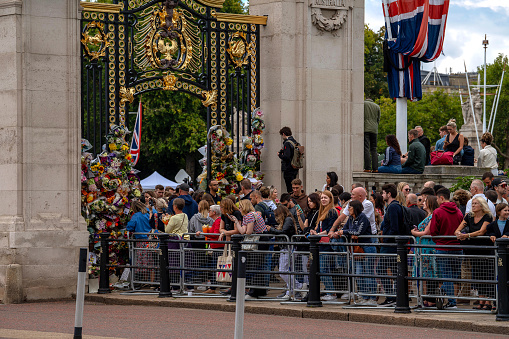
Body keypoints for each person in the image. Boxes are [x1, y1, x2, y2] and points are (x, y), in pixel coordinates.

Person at [454, 197, 493, 310]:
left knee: (487, 275)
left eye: (476, 203)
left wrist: (467, 235)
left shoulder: (488, 216)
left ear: (482, 205)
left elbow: (482, 231)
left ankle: (489, 301)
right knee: (477, 275)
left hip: (485, 250)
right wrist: (458, 233)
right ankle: (481, 301)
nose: (473, 205)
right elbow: (458, 228)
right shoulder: (469, 216)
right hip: (472, 250)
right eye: (473, 203)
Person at [337, 200, 377, 306]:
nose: (348, 209)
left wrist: (346, 232)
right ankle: (364, 296)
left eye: (350, 207)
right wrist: (349, 233)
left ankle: (372, 298)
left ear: (355, 208)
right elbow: (348, 229)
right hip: (356, 248)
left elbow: (358, 232)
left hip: (367, 247)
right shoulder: (350, 218)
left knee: (369, 273)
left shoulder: (363, 217)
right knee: (358, 273)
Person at [430, 188, 464, 309]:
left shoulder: (438, 212)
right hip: (457, 246)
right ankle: (448, 296)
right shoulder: (459, 212)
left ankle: (451, 301)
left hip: (443, 246)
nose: (437, 201)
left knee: (446, 275)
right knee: (454, 275)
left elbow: (433, 231)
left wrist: (438, 240)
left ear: (441, 198)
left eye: (437, 199)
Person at [231, 200, 268, 299]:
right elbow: (243, 231)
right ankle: (259, 290)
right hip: (261, 240)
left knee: (255, 266)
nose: (239, 209)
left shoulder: (249, 216)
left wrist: (242, 227)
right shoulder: (251, 215)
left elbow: (248, 232)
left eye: (240, 207)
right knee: (258, 265)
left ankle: (254, 292)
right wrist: (236, 221)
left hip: (259, 241)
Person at [266, 205, 301, 299]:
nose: (276, 218)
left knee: (283, 270)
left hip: (288, 248)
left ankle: (298, 286)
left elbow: (284, 232)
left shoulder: (288, 219)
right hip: (287, 247)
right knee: (289, 271)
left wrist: (271, 229)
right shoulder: (287, 220)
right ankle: (290, 291)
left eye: (277, 215)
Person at [309, 191, 338, 301]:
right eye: (321, 198)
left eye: (325, 198)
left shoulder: (332, 212)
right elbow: (319, 228)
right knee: (322, 269)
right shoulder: (322, 212)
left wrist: (318, 234)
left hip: (326, 244)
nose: (323, 200)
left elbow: (331, 228)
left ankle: (332, 292)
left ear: (330, 199)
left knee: (324, 268)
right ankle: (330, 291)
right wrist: (314, 231)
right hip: (320, 244)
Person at [411, 195, 439, 307]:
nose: (422, 203)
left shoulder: (433, 216)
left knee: (430, 274)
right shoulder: (427, 215)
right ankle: (426, 298)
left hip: (428, 248)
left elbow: (427, 232)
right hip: (422, 247)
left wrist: (413, 232)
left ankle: (431, 299)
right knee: (424, 274)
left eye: (425, 201)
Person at [378, 183, 403, 306]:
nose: (382, 195)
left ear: (389, 194)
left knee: (381, 269)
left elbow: (394, 227)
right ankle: (394, 296)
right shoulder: (394, 206)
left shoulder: (393, 207)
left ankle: (392, 296)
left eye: (383, 193)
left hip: (390, 245)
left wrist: (386, 239)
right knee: (393, 270)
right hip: (391, 245)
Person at [196, 204, 222, 294]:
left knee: (215, 267)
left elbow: (215, 234)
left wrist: (204, 233)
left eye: (210, 210)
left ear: (214, 212)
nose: (208, 212)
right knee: (214, 267)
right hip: (215, 246)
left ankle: (213, 288)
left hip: (217, 247)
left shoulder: (217, 221)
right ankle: (213, 287)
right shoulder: (217, 221)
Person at [278, 126, 300, 192]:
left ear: (284, 134)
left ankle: (291, 200)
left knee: (290, 188)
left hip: (288, 168)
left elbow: (286, 157)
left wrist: (279, 155)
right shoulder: (294, 142)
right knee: (294, 187)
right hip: (295, 167)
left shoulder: (287, 143)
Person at [364, 98, 381, 172]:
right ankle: (375, 168)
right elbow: (378, 119)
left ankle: (367, 167)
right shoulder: (377, 106)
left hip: (366, 128)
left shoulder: (363, 104)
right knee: (374, 149)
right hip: (374, 129)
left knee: (366, 148)